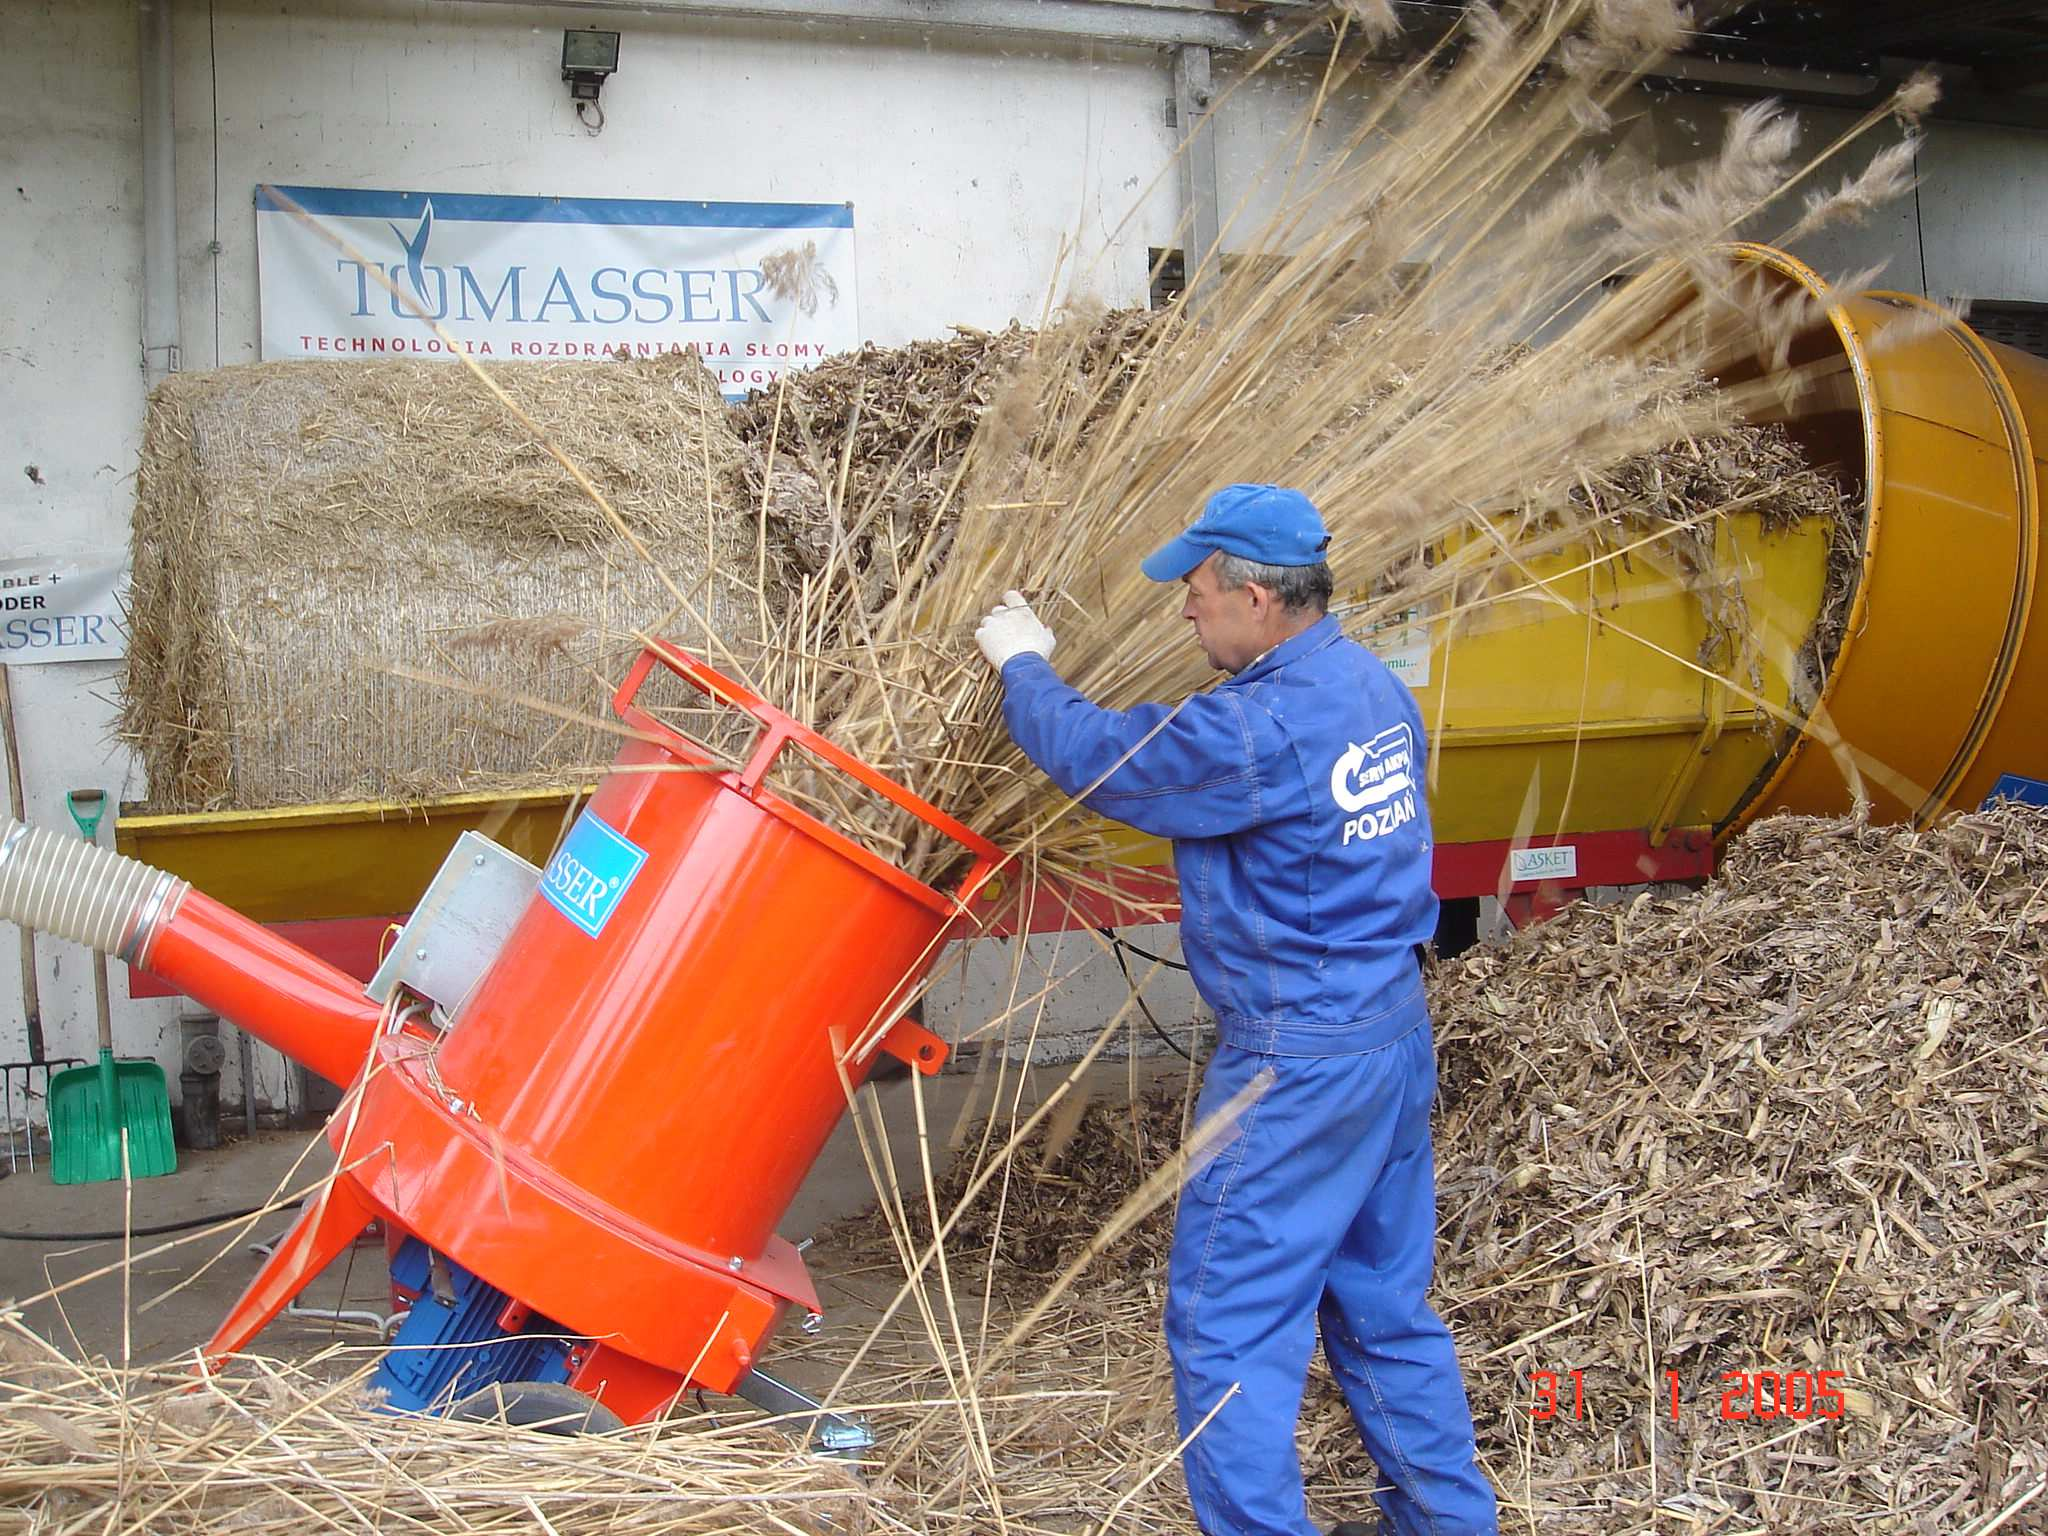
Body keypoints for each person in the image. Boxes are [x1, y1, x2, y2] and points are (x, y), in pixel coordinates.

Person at [973, 484, 1498, 1536]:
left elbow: (1107, 762)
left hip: (1293, 1061)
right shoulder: (1365, 685)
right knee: (1381, 1307)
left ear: (1258, 597)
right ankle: (1448, 1524)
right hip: (1386, 1035)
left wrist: (1020, 664)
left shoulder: (1258, 727)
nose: (1183, 610)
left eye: (1198, 591)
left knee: (1225, 1331)